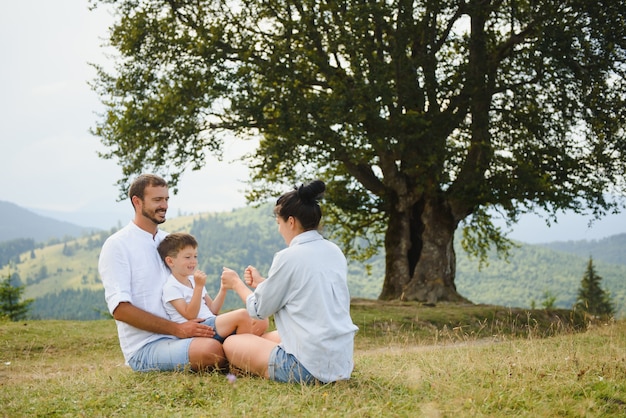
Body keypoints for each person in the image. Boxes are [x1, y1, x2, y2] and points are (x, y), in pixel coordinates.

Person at [220, 179, 359, 384]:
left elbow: (258, 309)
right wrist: (263, 284)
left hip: (306, 369)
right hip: (341, 364)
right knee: (267, 338)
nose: (279, 229)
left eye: (279, 223)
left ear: (291, 222)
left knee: (232, 343)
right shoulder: (333, 251)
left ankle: (260, 369)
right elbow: (304, 289)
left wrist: (236, 283)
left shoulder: (288, 256)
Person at [98, 173, 226, 372]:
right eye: (157, 200)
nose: (164, 205)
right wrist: (179, 329)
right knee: (211, 350)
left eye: (166, 199)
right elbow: (120, 309)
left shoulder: (169, 242)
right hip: (146, 346)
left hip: (187, 332)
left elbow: (197, 295)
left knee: (250, 323)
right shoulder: (117, 245)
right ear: (137, 202)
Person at [158, 232, 268, 342]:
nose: (193, 261)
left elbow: (213, 310)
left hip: (212, 321)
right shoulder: (171, 287)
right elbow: (190, 315)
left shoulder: (193, 281)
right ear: (170, 261)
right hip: (198, 328)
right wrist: (199, 287)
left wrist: (223, 289)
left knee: (261, 320)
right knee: (243, 315)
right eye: (187, 257)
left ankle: (236, 346)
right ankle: (241, 351)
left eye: (195, 256)